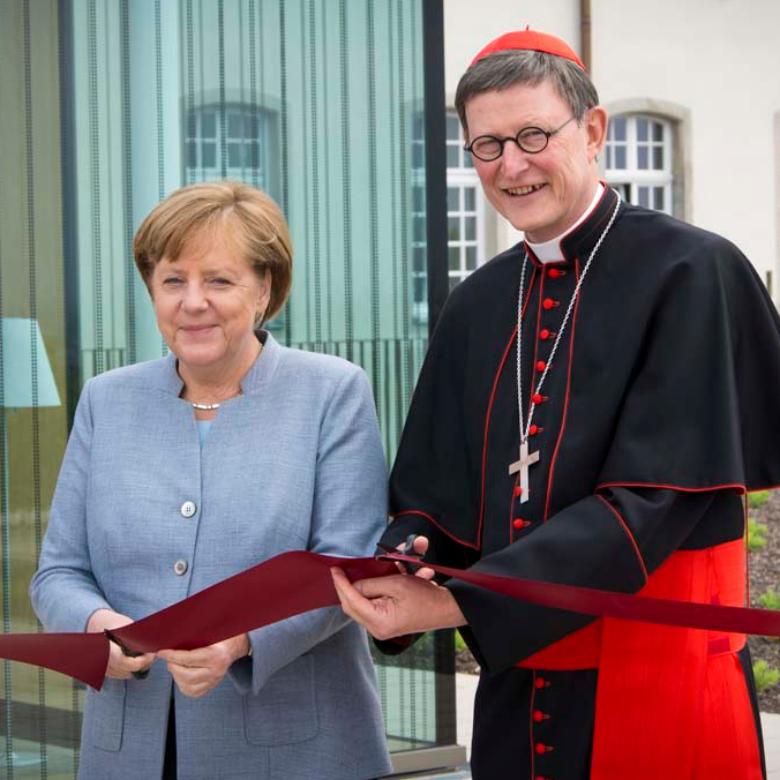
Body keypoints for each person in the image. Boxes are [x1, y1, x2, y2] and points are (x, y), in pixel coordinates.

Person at [332, 29, 780, 780]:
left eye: (533, 134)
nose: (511, 165)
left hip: (659, 677)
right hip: (520, 685)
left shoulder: (694, 272)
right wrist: (411, 554)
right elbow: (435, 493)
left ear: (594, 130)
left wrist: (456, 606)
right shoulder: (477, 302)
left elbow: (654, 502)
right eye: (486, 146)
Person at [31, 181, 393, 780]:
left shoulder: (331, 392)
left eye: (219, 281)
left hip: (296, 750)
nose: (192, 302)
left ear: (265, 288)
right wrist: (96, 627)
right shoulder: (106, 400)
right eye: (173, 280)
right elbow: (58, 572)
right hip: (128, 751)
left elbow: (348, 567)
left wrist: (243, 641)